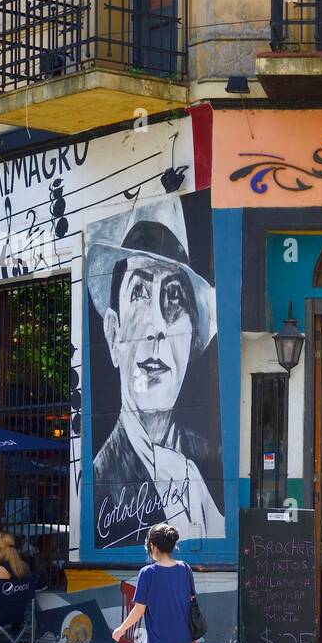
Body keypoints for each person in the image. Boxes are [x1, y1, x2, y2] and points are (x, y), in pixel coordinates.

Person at [84, 197, 225, 548]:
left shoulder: (206, 462)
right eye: (140, 293)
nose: (157, 326)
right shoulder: (98, 478)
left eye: (175, 297)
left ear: (193, 335)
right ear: (113, 333)